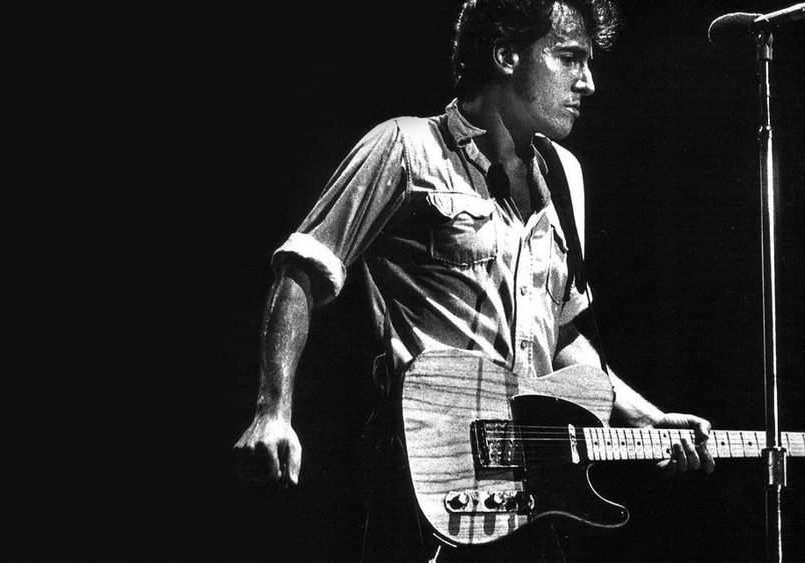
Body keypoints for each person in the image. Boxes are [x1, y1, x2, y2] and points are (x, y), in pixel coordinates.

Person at [234, 0, 716, 560]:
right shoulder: (407, 147)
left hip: (528, 484)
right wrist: (274, 411)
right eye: (569, 58)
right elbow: (303, 267)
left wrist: (647, 418)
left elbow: (560, 333)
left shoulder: (567, 177)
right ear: (507, 56)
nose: (588, 82)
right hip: (426, 468)